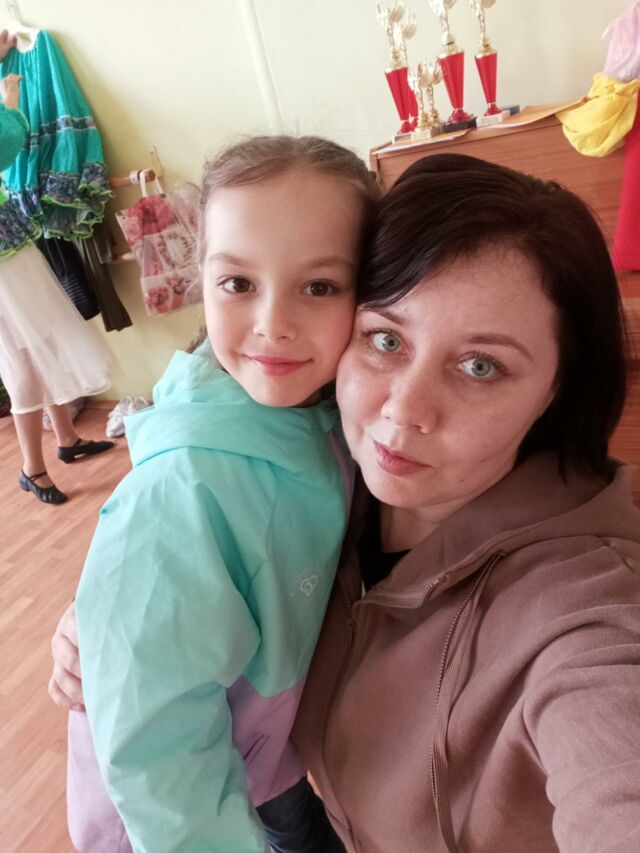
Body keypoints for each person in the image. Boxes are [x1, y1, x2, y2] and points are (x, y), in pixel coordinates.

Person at [52, 152, 640, 851]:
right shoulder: (331, 467)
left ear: (559, 386)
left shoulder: (585, 613)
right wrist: (120, 613)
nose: (405, 409)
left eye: (480, 365)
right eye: (386, 339)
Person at [59, 135, 379, 853]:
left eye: (319, 286)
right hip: (185, 805)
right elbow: (158, 754)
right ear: (201, 279)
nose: (273, 323)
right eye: (238, 283)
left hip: (266, 745)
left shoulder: (327, 414)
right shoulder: (181, 490)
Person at [0, 55, 113, 505]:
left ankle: (66, 440)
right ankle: (32, 468)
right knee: (22, 361)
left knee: (40, 343)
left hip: (12, 255)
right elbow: (5, 142)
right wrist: (9, 101)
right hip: (5, 265)